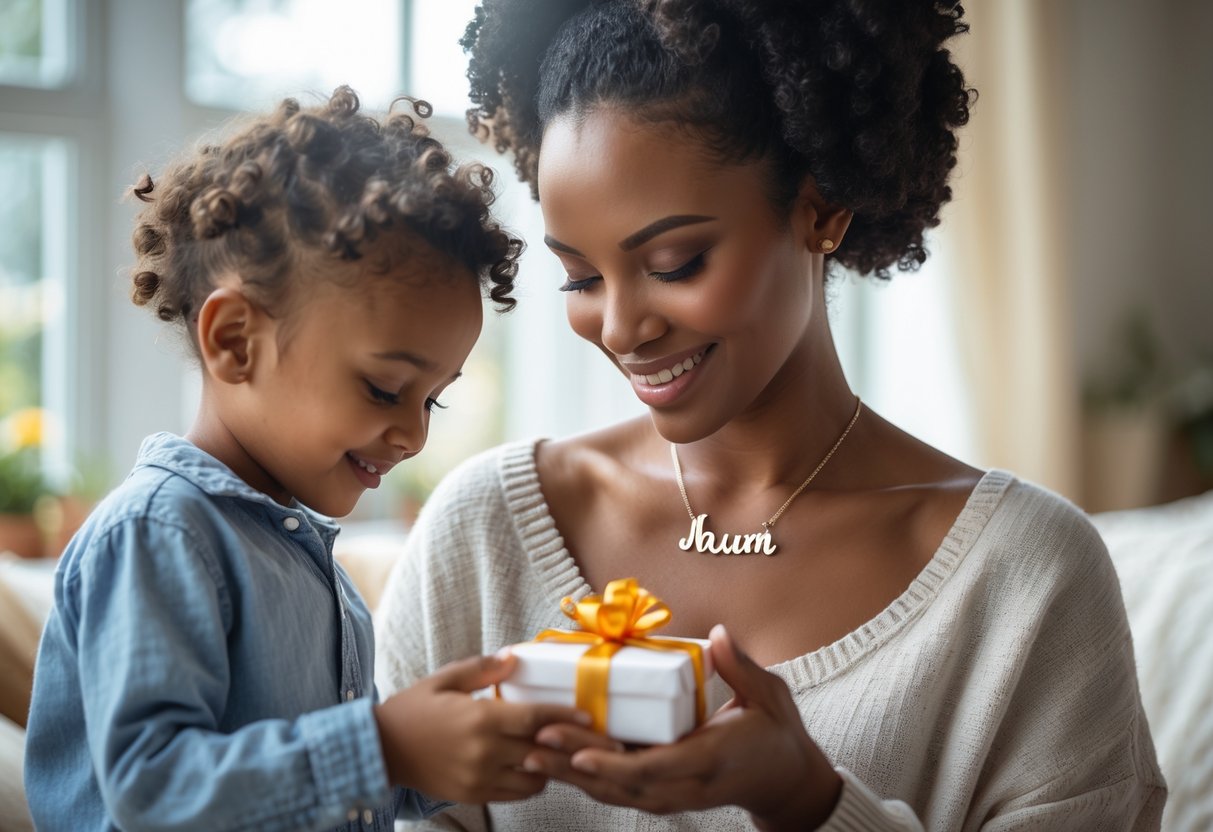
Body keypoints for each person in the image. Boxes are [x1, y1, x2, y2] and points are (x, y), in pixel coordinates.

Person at [374, 1, 1167, 830]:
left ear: (820, 210)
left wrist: (807, 801)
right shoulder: (482, 531)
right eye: (580, 279)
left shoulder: (1025, 578)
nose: (619, 328)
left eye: (675, 263)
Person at [23, 86, 594, 832]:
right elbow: (152, 791)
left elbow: (310, 794)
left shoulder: (303, 560)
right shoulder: (159, 534)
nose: (413, 435)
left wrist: (443, 754)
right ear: (234, 342)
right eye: (385, 387)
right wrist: (382, 747)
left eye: (433, 400)